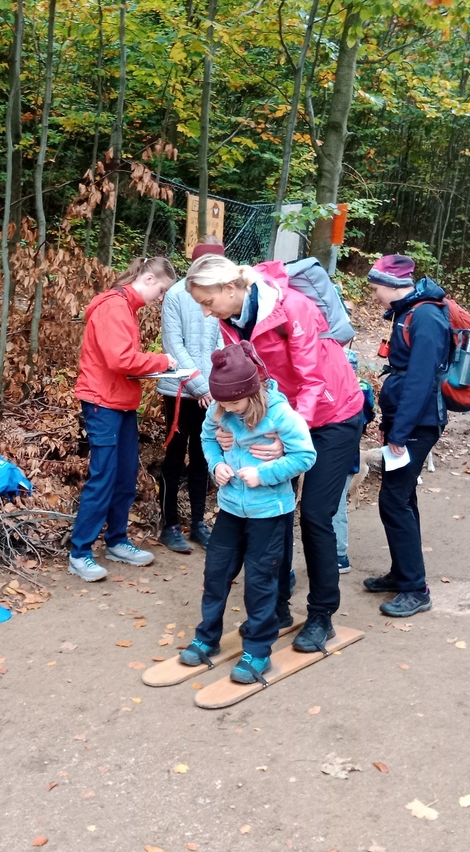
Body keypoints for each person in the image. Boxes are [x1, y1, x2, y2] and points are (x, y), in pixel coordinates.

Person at [184, 254, 364, 656]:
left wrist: (288, 436)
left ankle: (321, 615)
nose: (205, 311)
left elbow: (312, 380)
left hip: (333, 413)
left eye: (207, 302)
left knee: (315, 515)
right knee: (274, 508)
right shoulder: (231, 319)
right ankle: (277, 606)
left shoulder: (292, 307)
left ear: (229, 288)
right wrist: (231, 427)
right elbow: (248, 380)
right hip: (279, 414)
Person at [179, 341, 316, 684]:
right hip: (230, 508)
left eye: (234, 403)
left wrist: (264, 474)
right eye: (222, 403)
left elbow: (305, 456)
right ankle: (207, 637)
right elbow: (207, 439)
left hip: (269, 512)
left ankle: (257, 650)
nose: (227, 409)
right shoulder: (221, 409)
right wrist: (216, 465)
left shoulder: (280, 415)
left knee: (259, 582)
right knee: (216, 573)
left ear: (252, 393)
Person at [70, 256, 178, 582]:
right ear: (148, 279)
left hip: (121, 403)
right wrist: (162, 361)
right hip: (102, 404)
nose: (160, 298)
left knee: (126, 475)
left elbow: (123, 361)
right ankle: (80, 552)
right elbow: (120, 360)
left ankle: (117, 541)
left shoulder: (127, 308)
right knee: (103, 476)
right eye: (161, 290)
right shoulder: (113, 307)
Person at [364, 253, 451, 617]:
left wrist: (399, 432)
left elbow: (420, 380)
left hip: (419, 423)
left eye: (375, 289)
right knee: (402, 496)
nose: (374, 296)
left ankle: (416, 589)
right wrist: (391, 426)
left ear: (391, 284)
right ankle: (403, 573)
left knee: (393, 500)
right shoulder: (407, 312)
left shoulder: (425, 316)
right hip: (406, 420)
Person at [156, 242, 224, 554]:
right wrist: (200, 387)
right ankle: (168, 525)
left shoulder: (221, 294)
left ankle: (198, 522)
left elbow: (223, 341)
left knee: (203, 455)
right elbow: (174, 345)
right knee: (174, 456)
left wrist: (217, 386)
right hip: (180, 390)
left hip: (211, 393)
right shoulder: (175, 294)